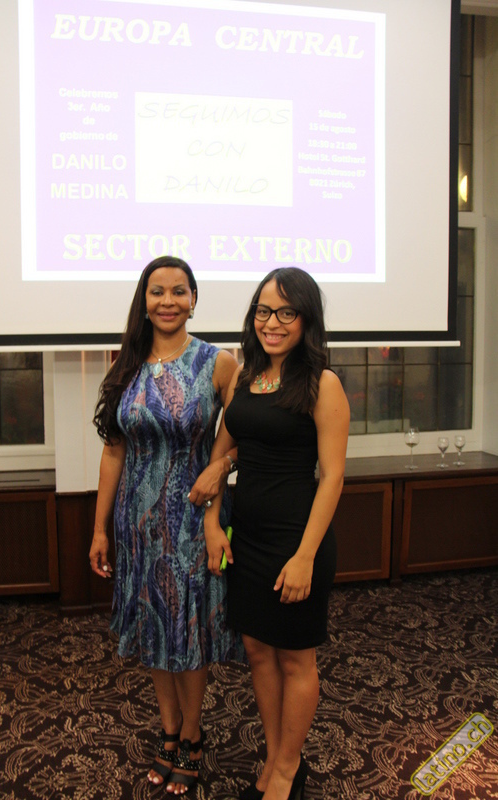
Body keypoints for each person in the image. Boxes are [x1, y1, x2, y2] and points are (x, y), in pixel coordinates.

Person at [89, 255, 241, 796]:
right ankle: (170, 731)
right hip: (136, 524)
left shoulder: (218, 363)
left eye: (179, 291)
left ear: (194, 299)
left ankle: (194, 736)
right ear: (145, 300)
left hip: (193, 521)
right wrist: (100, 529)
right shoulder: (126, 363)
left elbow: (248, 432)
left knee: (188, 630)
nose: (168, 301)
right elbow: (114, 451)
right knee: (155, 627)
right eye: (158, 291)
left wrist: (222, 466)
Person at [204, 267, 350, 800]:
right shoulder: (244, 377)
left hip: (297, 538)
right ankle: (275, 757)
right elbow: (222, 453)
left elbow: (332, 476)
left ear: (306, 319)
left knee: (295, 656)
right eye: (264, 311)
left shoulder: (322, 383)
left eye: (286, 312)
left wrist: (305, 556)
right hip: (247, 536)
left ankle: (287, 772)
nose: (272, 322)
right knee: (257, 650)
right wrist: (212, 521)